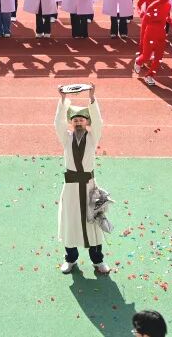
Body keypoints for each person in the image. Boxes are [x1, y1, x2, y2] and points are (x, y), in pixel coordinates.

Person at [54, 85, 110, 275]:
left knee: (92, 223)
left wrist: (92, 98)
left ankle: (98, 261)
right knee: (70, 222)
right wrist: (63, 100)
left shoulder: (93, 137)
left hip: (89, 187)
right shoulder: (66, 137)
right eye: (75, 120)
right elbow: (58, 123)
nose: (78, 122)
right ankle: (70, 260)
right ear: (71, 122)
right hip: (70, 188)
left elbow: (99, 122)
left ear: (87, 122)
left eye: (82, 119)